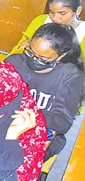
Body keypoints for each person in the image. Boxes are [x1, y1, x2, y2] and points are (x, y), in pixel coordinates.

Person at [6, 23, 84, 159]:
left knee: (13, 159)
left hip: (45, 133)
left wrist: (26, 114)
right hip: (5, 124)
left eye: (43, 59)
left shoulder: (68, 75)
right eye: (30, 52)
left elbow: (62, 122)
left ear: (60, 56)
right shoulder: (14, 63)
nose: (34, 60)